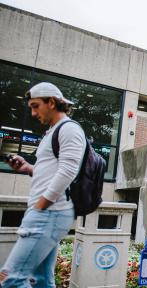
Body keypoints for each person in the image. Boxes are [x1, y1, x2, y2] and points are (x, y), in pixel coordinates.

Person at [0, 82, 85, 287]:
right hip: (48, 212)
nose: (33, 112)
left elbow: (68, 171)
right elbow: (52, 170)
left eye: (36, 105)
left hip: (49, 212)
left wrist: (41, 206)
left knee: (11, 279)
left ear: (52, 102)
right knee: (42, 281)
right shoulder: (52, 132)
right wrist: (28, 168)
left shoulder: (69, 129)